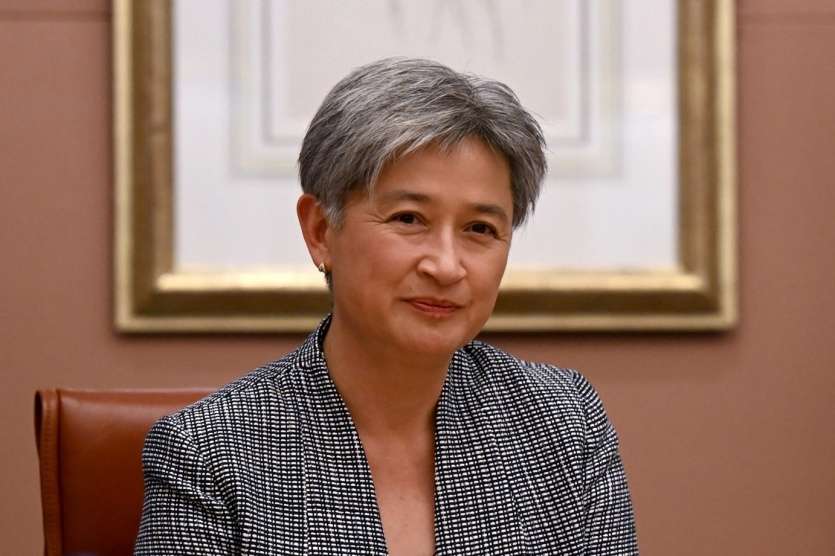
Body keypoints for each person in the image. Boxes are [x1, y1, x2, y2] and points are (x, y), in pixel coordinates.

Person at [135, 57, 637, 555]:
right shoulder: (209, 453)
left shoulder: (563, 420)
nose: (446, 266)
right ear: (320, 231)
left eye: (480, 229)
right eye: (409, 219)